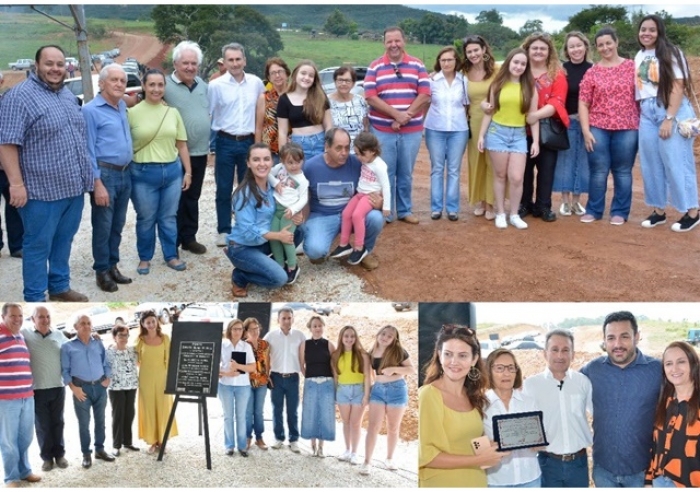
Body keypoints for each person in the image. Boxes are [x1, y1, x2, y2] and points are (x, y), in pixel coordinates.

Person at [0, 45, 92, 302]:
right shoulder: (18, 97)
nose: (55, 69)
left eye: (60, 64)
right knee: (37, 246)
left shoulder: (65, 95)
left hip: (73, 190)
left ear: (67, 67)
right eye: (49, 63)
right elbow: (6, 143)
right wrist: (15, 184)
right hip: (41, 193)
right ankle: (35, 296)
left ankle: (60, 286)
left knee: (64, 241)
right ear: (37, 65)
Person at [580, 311, 662, 487]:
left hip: (641, 472)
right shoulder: (592, 369)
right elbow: (565, 385)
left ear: (637, 336)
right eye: (611, 338)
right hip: (603, 471)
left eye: (624, 336)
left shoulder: (657, 370)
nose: (617, 344)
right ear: (604, 340)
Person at [419, 324, 506, 487]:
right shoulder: (428, 395)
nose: (454, 362)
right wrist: (479, 459)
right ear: (439, 356)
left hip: (476, 482)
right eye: (448, 354)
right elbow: (425, 455)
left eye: (462, 355)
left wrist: (496, 446)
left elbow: (473, 442)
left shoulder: (473, 396)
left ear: (474, 359)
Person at [636, 14, 700, 232]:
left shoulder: (672, 53)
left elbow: (678, 85)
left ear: (659, 31)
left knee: (677, 161)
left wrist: (669, 118)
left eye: (651, 29)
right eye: (643, 29)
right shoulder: (639, 55)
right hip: (647, 112)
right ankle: (659, 210)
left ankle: (692, 211)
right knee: (650, 163)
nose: (646, 33)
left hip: (670, 109)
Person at [127, 68, 192, 275]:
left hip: (172, 172)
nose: (156, 89)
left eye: (160, 85)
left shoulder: (172, 113)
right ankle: (145, 258)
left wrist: (188, 172)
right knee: (146, 218)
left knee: (168, 217)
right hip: (143, 174)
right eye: (152, 84)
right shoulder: (132, 113)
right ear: (144, 87)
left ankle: (171, 255)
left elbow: (181, 145)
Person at [364, 26, 431, 224]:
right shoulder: (374, 67)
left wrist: (405, 116)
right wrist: (395, 115)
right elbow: (370, 97)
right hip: (382, 130)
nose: (393, 45)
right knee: (385, 172)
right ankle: (387, 211)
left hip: (411, 130)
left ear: (404, 41)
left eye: (397, 40)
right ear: (384, 43)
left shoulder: (418, 65)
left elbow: (425, 94)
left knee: (406, 173)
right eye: (389, 41)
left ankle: (404, 210)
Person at [298, 127, 384, 271]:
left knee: (376, 218)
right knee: (315, 250)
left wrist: (380, 202)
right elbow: (301, 196)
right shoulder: (310, 167)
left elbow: (376, 183)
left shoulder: (358, 163)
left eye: (346, 147)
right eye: (338, 148)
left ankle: (363, 251)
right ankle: (320, 248)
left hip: (352, 213)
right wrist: (302, 223)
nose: (344, 153)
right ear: (327, 146)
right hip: (323, 216)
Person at [578, 26, 639, 225]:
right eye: (601, 45)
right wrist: (586, 130)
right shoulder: (592, 72)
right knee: (598, 170)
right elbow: (584, 102)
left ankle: (620, 212)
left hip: (627, 126)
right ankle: (594, 210)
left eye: (608, 43)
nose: (605, 48)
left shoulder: (632, 67)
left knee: (622, 170)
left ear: (616, 42)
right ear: (596, 48)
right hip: (598, 126)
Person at [83, 64, 134, 293]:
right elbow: (88, 150)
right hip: (105, 175)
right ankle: (101, 270)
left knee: (117, 224)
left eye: (122, 81)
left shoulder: (121, 105)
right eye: (113, 80)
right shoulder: (91, 110)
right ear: (101, 83)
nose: (119, 84)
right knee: (103, 225)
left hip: (125, 172)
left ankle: (113, 265)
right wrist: (96, 183)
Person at [209, 43, 265, 247]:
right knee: (223, 187)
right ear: (224, 62)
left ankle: (244, 226)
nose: (234, 63)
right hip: (224, 140)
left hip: (248, 142)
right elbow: (210, 112)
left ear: (245, 60)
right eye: (230, 60)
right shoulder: (216, 86)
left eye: (238, 59)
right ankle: (224, 229)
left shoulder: (256, 83)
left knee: (248, 187)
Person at [477, 48, 539, 230]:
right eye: (515, 62)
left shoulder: (530, 87)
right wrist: (482, 135)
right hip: (497, 133)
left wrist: (535, 141)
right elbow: (489, 112)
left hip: (519, 135)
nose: (518, 66)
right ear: (509, 63)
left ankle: (514, 214)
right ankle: (501, 213)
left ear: (526, 67)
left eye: (523, 64)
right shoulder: (497, 85)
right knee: (500, 174)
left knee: (517, 177)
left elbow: (533, 117)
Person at [522, 329, 592, 488]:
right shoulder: (531, 385)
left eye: (565, 350)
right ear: (545, 353)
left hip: (579, 464)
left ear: (573, 354)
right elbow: (523, 426)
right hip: (548, 464)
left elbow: (598, 416)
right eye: (554, 349)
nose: (560, 355)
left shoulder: (583, 382)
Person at [224, 143, 292, 298]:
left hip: (263, 243)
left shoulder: (273, 186)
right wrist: (278, 236)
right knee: (279, 279)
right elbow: (249, 232)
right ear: (248, 163)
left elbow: (282, 211)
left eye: (266, 159)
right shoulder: (244, 194)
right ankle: (241, 276)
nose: (262, 164)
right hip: (243, 247)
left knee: (298, 232)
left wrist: (294, 214)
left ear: (272, 162)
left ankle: (266, 266)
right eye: (256, 160)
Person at [164, 40, 211, 254]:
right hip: (173, 154)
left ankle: (189, 237)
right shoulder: (164, 85)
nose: (190, 67)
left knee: (192, 197)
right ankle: (171, 241)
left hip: (199, 152)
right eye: (185, 63)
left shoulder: (203, 86)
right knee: (173, 198)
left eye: (194, 63)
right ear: (175, 63)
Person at [520, 32, 569, 223]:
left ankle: (543, 206)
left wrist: (535, 116)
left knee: (546, 170)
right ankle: (524, 203)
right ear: (527, 50)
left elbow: (558, 102)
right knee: (523, 170)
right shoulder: (519, 71)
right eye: (535, 48)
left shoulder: (557, 74)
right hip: (520, 130)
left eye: (543, 48)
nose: (538, 51)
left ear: (549, 51)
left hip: (547, 130)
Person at [61, 314, 115, 469]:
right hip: (81, 389)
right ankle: (86, 453)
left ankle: (100, 449)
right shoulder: (67, 347)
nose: (86, 326)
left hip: (100, 387)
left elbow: (106, 362)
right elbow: (65, 371)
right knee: (84, 424)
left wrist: (108, 378)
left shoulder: (98, 343)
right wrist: (73, 388)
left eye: (88, 323)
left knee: (101, 421)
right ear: (76, 327)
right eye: (82, 323)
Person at [483, 349, 542, 487]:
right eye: (499, 368)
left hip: (531, 479)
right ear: (489, 371)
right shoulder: (480, 405)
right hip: (496, 481)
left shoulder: (529, 402)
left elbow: (541, 438)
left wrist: (539, 442)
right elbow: (474, 443)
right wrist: (489, 447)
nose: (506, 373)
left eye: (511, 368)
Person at [330, 131, 391, 265]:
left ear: (373, 151)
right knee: (346, 214)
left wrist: (386, 206)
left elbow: (386, 186)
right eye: (357, 153)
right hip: (359, 194)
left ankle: (359, 247)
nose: (358, 157)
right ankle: (344, 244)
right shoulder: (366, 160)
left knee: (357, 216)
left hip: (370, 196)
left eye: (361, 154)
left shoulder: (380, 165)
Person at [20, 306, 69, 472]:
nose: (45, 320)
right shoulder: (24, 333)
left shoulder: (58, 335)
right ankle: (47, 458)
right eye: (41, 317)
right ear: (33, 319)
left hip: (57, 386)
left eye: (48, 316)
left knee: (58, 422)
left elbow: (73, 349)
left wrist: (93, 337)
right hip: (36, 389)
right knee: (42, 425)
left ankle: (60, 455)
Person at [645, 341, 700, 487]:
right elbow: (655, 447)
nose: (674, 368)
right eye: (668, 364)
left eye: (681, 362)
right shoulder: (665, 403)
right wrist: (649, 481)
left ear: (693, 364)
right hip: (660, 482)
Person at [361, 325, 413, 475]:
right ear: (378, 334)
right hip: (378, 391)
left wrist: (394, 369)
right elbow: (367, 375)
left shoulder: (399, 352)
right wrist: (367, 393)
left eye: (389, 336)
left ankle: (389, 458)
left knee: (393, 427)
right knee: (373, 427)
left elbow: (411, 369)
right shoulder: (370, 353)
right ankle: (367, 461)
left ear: (394, 339)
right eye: (383, 334)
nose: (385, 337)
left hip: (397, 391)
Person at [424, 46, 469, 221]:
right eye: (443, 60)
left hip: (458, 130)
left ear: (456, 61)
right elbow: (426, 103)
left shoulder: (463, 81)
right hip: (434, 129)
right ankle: (436, 208)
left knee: (453, 170)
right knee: (436, 169)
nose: (446, 63)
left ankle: (452, 208)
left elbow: (466, 105)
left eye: (450, 59)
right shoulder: (431, 80)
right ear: (438, 62)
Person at [0, 303, 41, 486]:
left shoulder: (20, 335)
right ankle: (11, 477)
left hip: (27, 396)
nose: (17, 319)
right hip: (6, 399)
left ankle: (24, 470)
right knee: (8, 440)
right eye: (12, 316)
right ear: (3, 317)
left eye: (20, 316)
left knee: (25, 436)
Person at [552, 32, 592, 217]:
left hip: (587, 122)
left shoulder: (593, 69)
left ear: (585, 46)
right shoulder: (561, 70)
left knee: (582, 162)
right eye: (571, 47)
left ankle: (577, 202)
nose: (576, 49)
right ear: (567, 50)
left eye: (579, 45)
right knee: (565, 161)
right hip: (566, 121)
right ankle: (565, 201)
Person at [463, 35, 498, 221]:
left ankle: (491, 203)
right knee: (476, 162)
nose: (473, 54)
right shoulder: (463, 71)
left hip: (495, 121)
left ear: (484, 50)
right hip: (473, 122)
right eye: (469, 51)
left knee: (492, 162)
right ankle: (480, 201)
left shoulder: (497, 70)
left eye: (476, 50)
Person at [263, 306, 306, 453]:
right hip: (276, 377)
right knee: (276, 409)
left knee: (293, 410)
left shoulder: (300, 336)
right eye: (284, 318)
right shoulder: (270, 336)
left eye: (289, 318)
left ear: (293, 319)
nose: (287, 321)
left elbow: (304, 356)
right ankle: (279, 438)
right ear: (278, 320)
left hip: (293, 378)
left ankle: (294, 440)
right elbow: (264, 355)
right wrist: (266, 373)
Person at [135, 310, 177, 454]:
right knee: (148, 409)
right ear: (143, 324)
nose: (151, 324)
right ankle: (152, 441)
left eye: (153, 321)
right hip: (145, 378)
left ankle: (162, 440)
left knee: (163, 408)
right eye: (148, 322)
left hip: (162, 379)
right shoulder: (140, 340)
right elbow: (134, 358)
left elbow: (171, 359)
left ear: (157, 321)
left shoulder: (165, 338)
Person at [268, 142, 308, 284]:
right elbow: (267, 173)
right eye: (290, 162)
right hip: (276, 210)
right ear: (282, 161)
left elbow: (304, 198)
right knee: (274, 237)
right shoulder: (279, 169)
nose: (294, 166)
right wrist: (275, 183)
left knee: (286, 239)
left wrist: (293, 210)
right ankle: (279, 264)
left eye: (298, 162)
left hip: (288, 213)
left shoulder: (302, 180)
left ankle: (292, 266)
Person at [331, 325, 370, 465]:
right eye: (346, 336)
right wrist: (335, 395)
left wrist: (366, 396)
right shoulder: (335, 355)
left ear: (356, 338)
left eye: (352, 336)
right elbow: (335, 377)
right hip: (342, 391)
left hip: (358, 391)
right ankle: (347, 450)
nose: (349, 339)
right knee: (346, 422)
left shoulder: (363, 354)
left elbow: (367, 376)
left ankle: (354, 452)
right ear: (341, 337)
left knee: (355, 423)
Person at [277, 59, 332, 159]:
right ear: (295, 75)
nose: (307, 78)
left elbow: (328, 125)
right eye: (303, 73)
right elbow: (282, 132)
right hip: (298, 146)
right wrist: (283, 157)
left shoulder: (321, 97)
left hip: (321, 143)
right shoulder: (284, 99)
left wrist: (328, 146)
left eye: (311, 75)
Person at [299, 316, 336, 457]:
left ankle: (321, 447)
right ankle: (312, 445)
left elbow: (334, 365)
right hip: (311, 383)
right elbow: (301, 365)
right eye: (314, 326)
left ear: (323, 327)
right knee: (310, 413)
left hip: (327, 382)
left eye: (320, 325)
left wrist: (334, 384)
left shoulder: (329, 344)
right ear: (310, 328)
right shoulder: (304, 344)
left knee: (325, 413)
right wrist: (309, 377)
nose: (317, 328)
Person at [219, 319, 255, 457]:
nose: (237, 332)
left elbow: (252, 367)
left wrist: (238, 366)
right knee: (228, 416)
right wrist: (228, 372)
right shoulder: (223, 345)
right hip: (225, 386)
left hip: (243, 386)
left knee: (241, 416)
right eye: (234, 329)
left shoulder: (246, 347)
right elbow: (215, 367)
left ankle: (242, 446)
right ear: (229, 330)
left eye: (240, 329)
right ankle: (229, 446)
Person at [105, 323, 140, 457]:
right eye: (120, 335)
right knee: (118, 415)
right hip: (116, 387)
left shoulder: (132, 350)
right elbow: (105, 367)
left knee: (129, 414)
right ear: (114, 336)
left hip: (131, 386)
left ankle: (128, 441)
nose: (124, 337)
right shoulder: (109, 351)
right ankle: (116, 445)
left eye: (126, 335)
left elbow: (139, 362)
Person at [0, 72, 23, 259]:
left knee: (14, 206)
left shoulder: (7, 104)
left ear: (2, 82)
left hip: (7, 167)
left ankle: (17, 246)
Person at [255, 57, 291, 163]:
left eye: (280, 72)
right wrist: (257, 151)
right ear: (269, 77)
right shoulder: (264, 98)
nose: (277, 76)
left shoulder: (295, 95)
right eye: (273, 73)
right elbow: (258, 127)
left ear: (287, 74)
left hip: (292, 151)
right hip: (270, 152)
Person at [242, 317, 270, 451]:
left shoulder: (265, 344)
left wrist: (268, 375)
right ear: (246, 331)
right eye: (252, 329)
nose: (255, 331)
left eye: (257, 328)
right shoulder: (242, 346)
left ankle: (259, 437)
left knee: (259, 412)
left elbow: (268, 360)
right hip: (247, 384)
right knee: (248, 412)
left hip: (262, 383)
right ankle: (247, 437)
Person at [328, 65, 369, 152]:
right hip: (336, 151)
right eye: (340, 80)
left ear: (353, 83)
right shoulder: (326, 101)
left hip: (358, 151)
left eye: (347, 81)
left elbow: (365, 126)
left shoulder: (360, 100)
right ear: (335, 82)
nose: (343, 83)